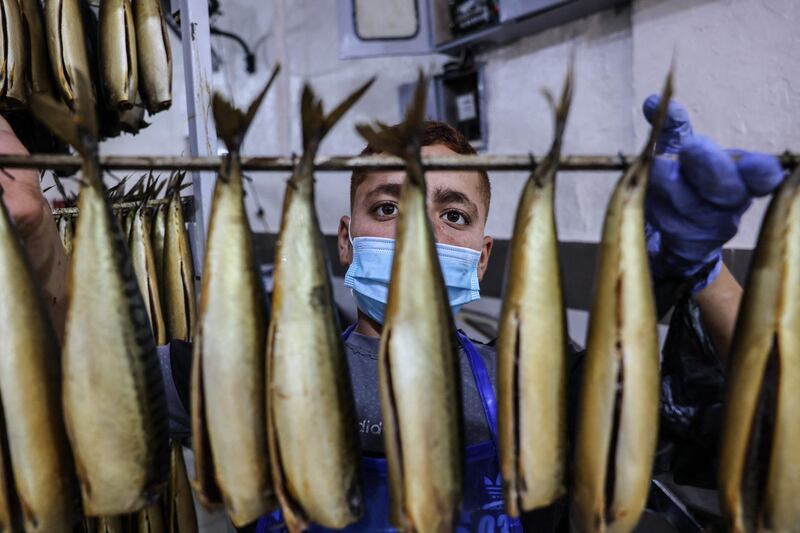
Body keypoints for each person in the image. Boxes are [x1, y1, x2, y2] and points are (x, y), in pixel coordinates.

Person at [0, 94, 783, 531]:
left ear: (480, 256)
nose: (415, 230)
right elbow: (93, 367)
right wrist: (36, 229)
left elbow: (756, 428)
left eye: (450, 214)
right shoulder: (253, 374)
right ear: (345, 244)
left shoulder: (541, 378)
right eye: (388, 205)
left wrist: (705, 273)